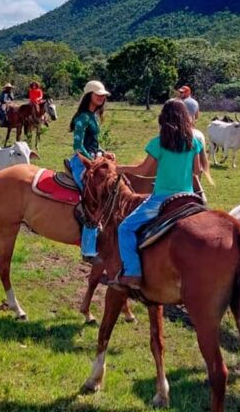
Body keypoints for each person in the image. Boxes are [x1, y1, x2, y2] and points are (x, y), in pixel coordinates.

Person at [110, 99, 203, 290]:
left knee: (125, 228)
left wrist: (118, 169)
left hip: (162, 199)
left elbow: (143, 171)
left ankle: (133, 273)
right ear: (186, 118)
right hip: (189, 199)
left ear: (163, 118)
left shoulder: (158, 143)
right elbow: (197, 170)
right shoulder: (194, 142)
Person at [65, 80, 111, 260]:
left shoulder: (94, 116)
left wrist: (105, 153)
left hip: (93, 159)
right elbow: (78, 146)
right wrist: (93, 162)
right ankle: (88, 250)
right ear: (88, 96)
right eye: (97, 94)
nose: (101, 97)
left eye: (103, 95)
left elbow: (94, 144)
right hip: (82, 162)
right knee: (93, 200)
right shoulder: (83, 117)